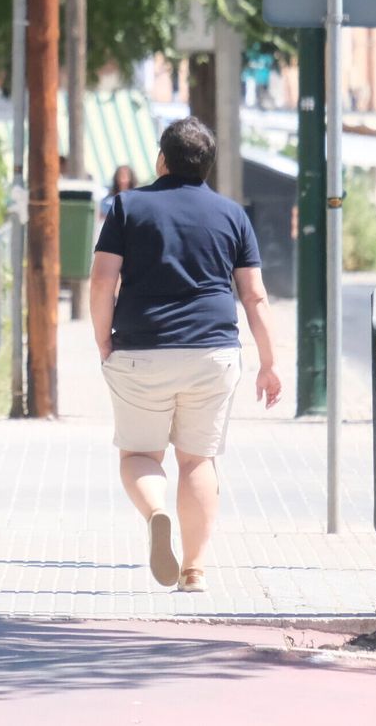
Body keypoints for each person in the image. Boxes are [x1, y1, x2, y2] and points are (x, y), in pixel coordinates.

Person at [88, 117, 281, 593]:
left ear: (162, 159)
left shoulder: (127, 207)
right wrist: (270, 363)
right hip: (213, 352)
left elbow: (101, 280)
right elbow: (254, 296)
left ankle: (157, 513)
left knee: (139, 454)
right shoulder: (232, 215)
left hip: (140, 350)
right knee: (198, 461)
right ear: (207, 165)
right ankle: (194, 569)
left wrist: (102, 339)